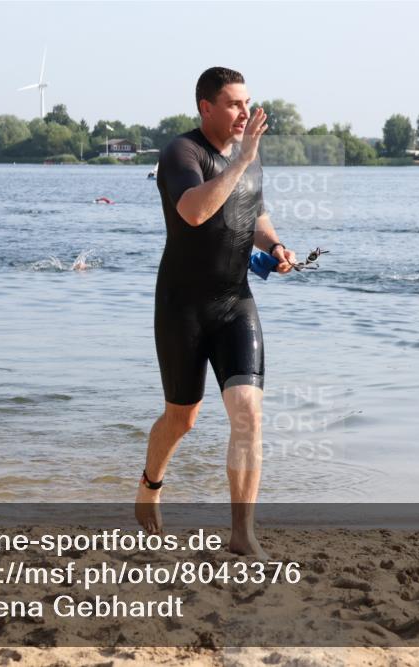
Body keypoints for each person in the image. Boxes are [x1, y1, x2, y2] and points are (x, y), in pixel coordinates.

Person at [136, 67, 296, 558]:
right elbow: (195, 212)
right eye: (233, 104)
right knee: (181, 419)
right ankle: (149, 488)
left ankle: (242, 536)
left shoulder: (249, 159)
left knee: (248, 412)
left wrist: (277, 245)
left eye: (247, 103)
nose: (244, 113)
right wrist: (241, 159)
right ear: (205, 107)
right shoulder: (180, 153)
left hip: (235, 302)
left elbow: (256, 215)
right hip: (182, 306)